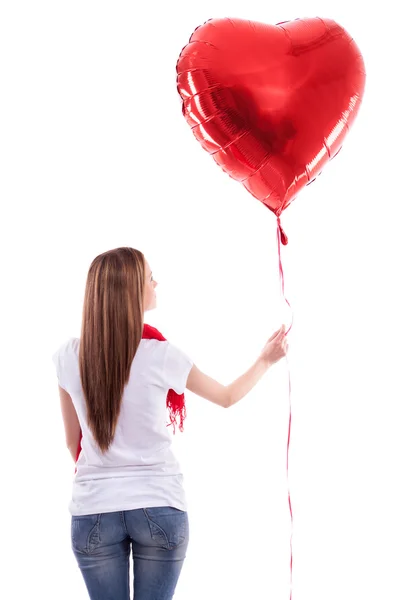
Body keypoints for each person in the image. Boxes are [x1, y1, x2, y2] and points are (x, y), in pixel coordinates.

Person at [52, 246, 288, 600]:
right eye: (150, 277)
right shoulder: (161, 356)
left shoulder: (67, 357)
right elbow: (225, 397)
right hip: (159, 505)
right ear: (131, 291)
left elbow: (74, 443)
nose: (156, 282)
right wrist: (265, 361)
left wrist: (106, 478)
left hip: (93, 509)